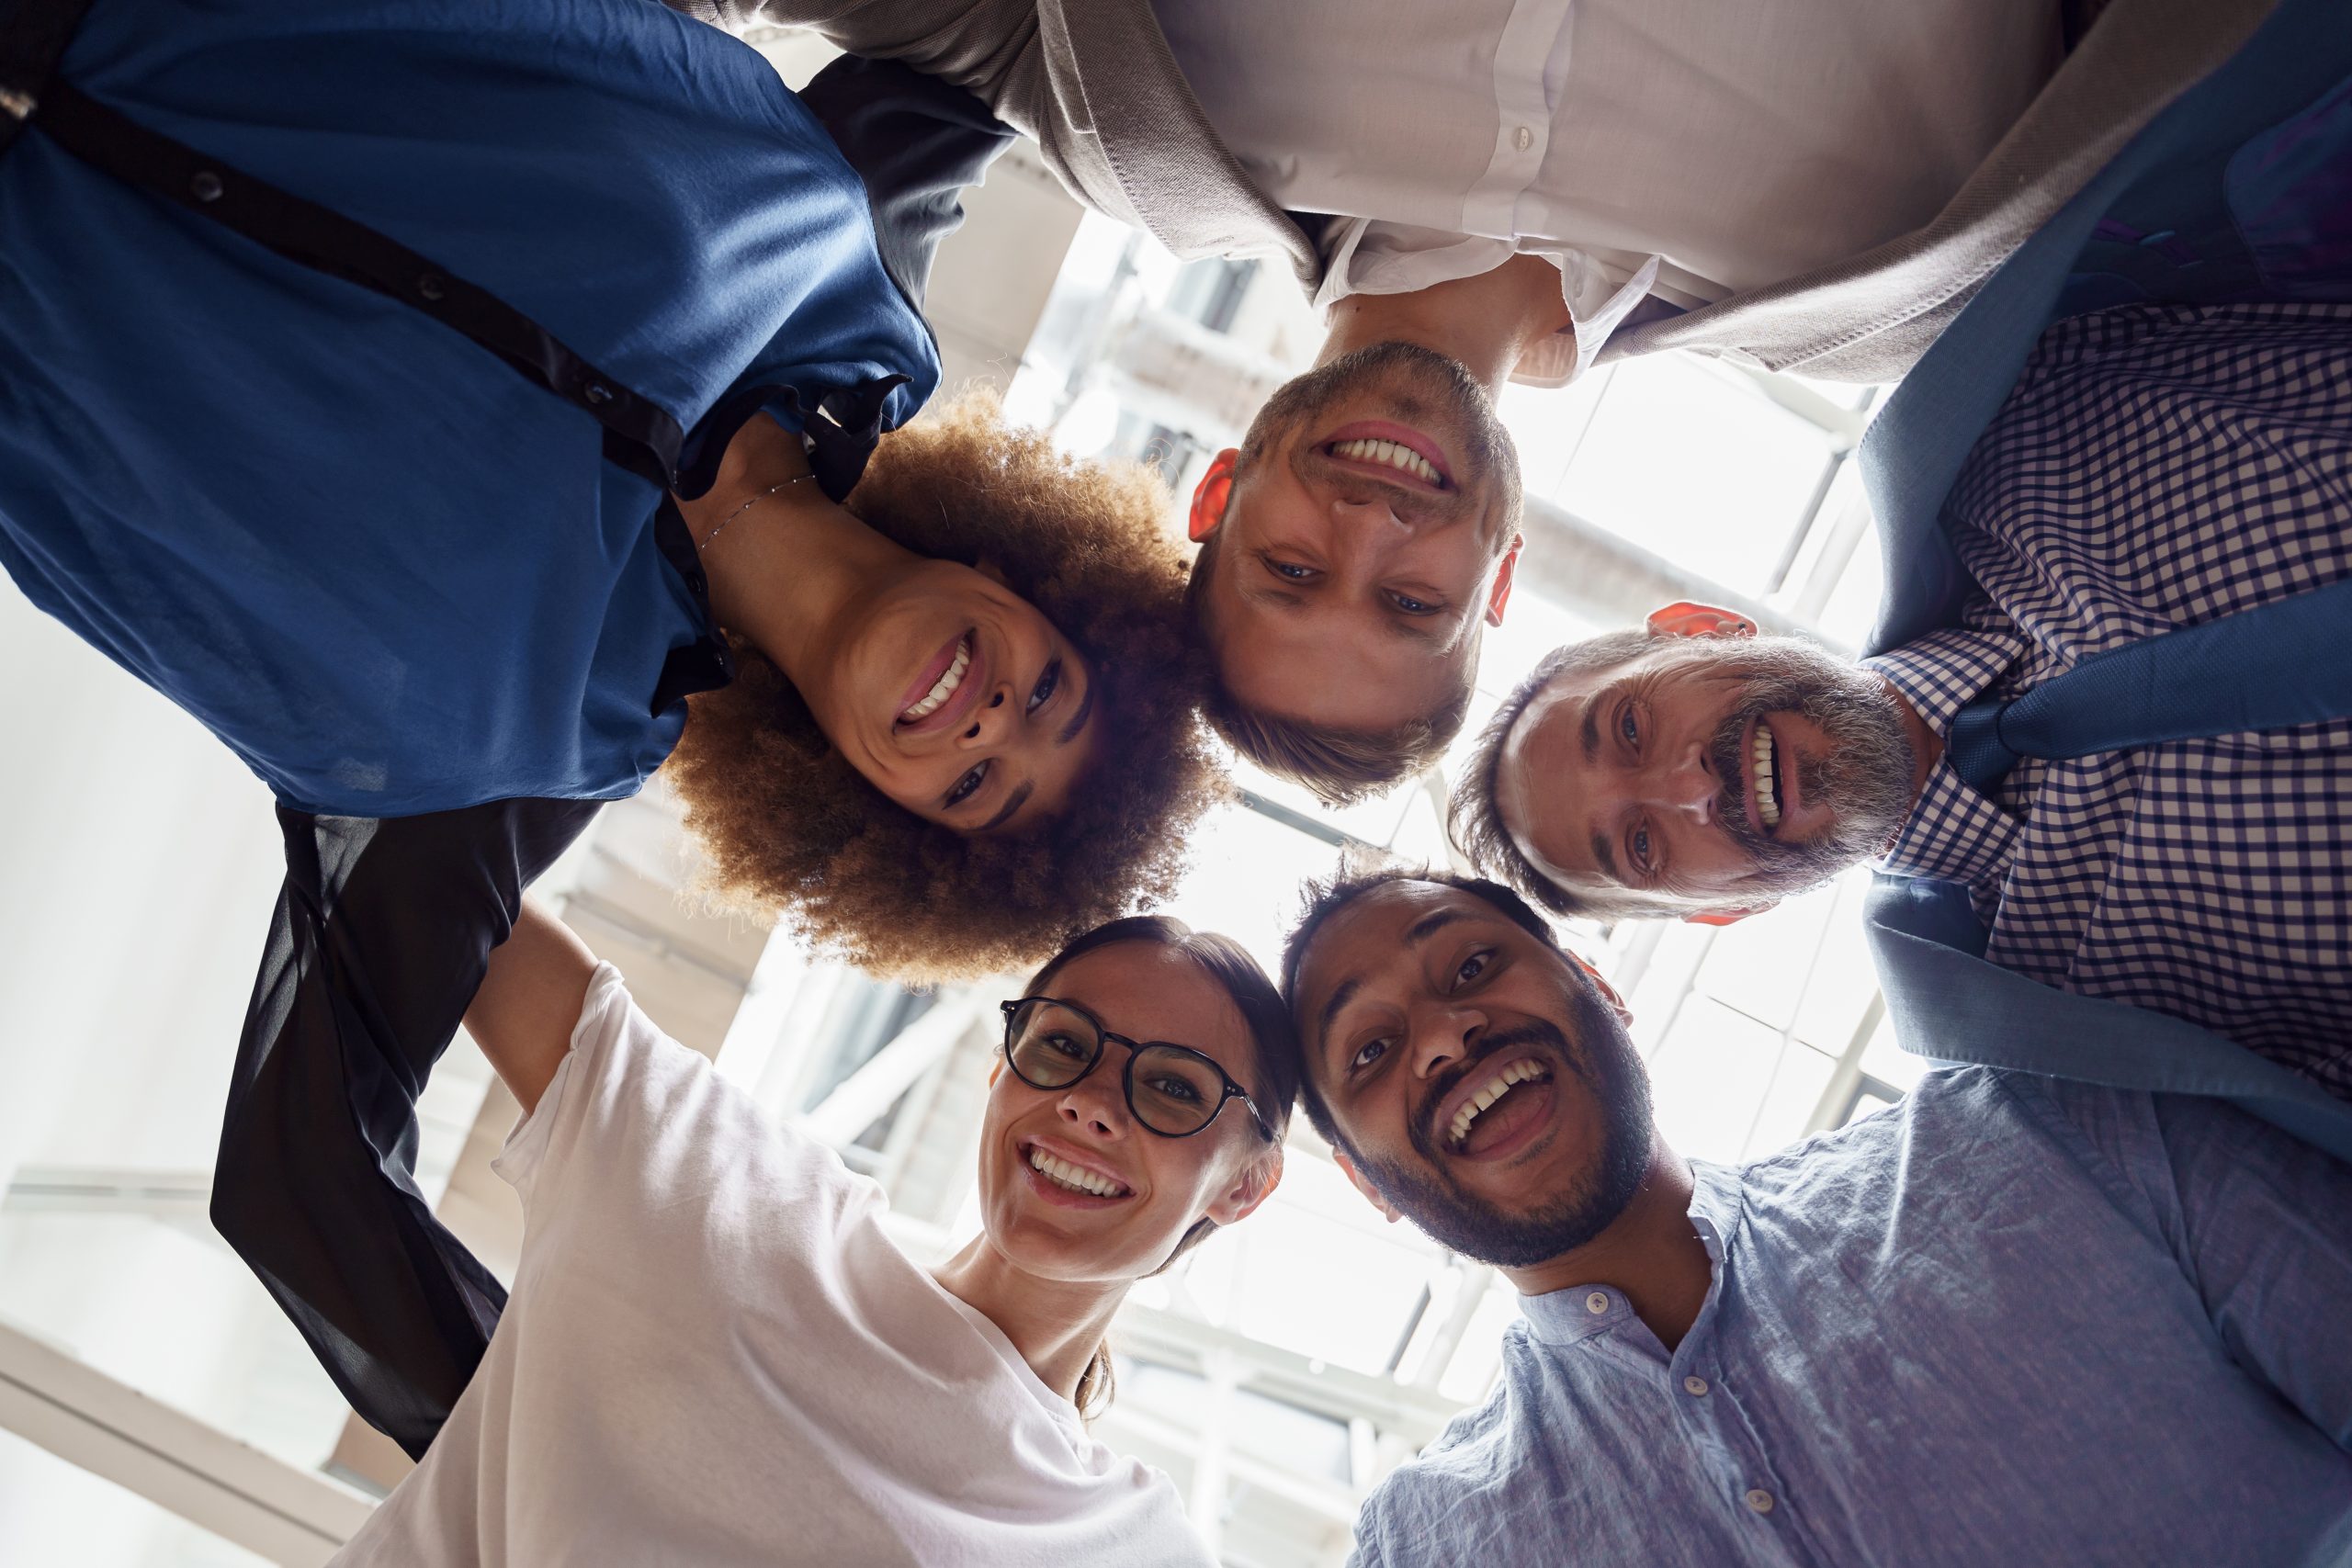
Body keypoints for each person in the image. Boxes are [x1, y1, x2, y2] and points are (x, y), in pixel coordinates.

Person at [0, 5, 1221, 1453]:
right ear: (1039, 581)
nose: (985, 713)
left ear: (888, 823)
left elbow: (306, 1175)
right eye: (1052, 692)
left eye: (977, 786)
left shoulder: (525, 740)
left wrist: (594, 1480)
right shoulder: (839, 262)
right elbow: (1033, 49)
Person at [677, 0, 2266, 800]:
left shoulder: (1133, 126)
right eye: (1414, 602)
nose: (1374, 525)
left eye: (1293, 568)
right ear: (1499, 579)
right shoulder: (1893, 288)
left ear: (1217, 493)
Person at [1447, 0, 2352, 1154]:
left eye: (1627, 727)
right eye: (1642, 847)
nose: (1688, 788)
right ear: (1726, 904)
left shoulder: (2025, 414)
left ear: (1704, 627)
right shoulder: (2079, 1034)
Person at [1280, 869, 2352, 1567]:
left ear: (1599, 989)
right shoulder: (1431, 1543)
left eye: (1472, 966)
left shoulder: (2046, 1130)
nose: (1443, 1036)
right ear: (1367, 1185)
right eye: (1368, 1051)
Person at [329, 903, 1295, 1566]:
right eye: (1062, 1045)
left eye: (1173, 1086)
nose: (1089, 1103)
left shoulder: (1128, 1543)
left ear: (1246, 1185)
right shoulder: (729, 1190)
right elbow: (447, 885)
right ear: (997, 1074)